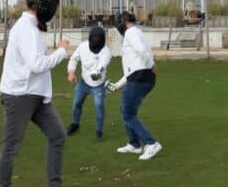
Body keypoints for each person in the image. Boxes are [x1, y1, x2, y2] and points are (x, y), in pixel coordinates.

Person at [0, 0, 84, 187]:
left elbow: (35, 62)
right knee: (11, 147)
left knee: (57, 135)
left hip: (36, 95)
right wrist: (61, 52)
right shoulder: (26, 29)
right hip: (19, 95)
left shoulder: (32, 28)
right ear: (42, 8)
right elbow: (36, 65)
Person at [106, 11, 162, 161]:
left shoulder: (131, 33)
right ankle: (134, 144)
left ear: (123, 23)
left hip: (141, 77)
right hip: (139, 76)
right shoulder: (137, 32)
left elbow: (142, 53)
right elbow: (133, 68)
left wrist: (151, 65)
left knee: (128, 114)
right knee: (125, 110)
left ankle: (151, 143)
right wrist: (117, 85)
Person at [66, 26, 112, 140]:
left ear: (102, 39)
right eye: (94, 37)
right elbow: (74, 58)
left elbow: (102, 65)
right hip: (83, 82)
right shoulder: (83, 46)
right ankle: (75, 124)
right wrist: (71, 72)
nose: (96, 40)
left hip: (98, 85)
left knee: (99, 106)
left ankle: (99, 130)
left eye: (98, 38)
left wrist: (97, 73)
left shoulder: (106, 52)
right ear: (90, 38)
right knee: (76, 103)